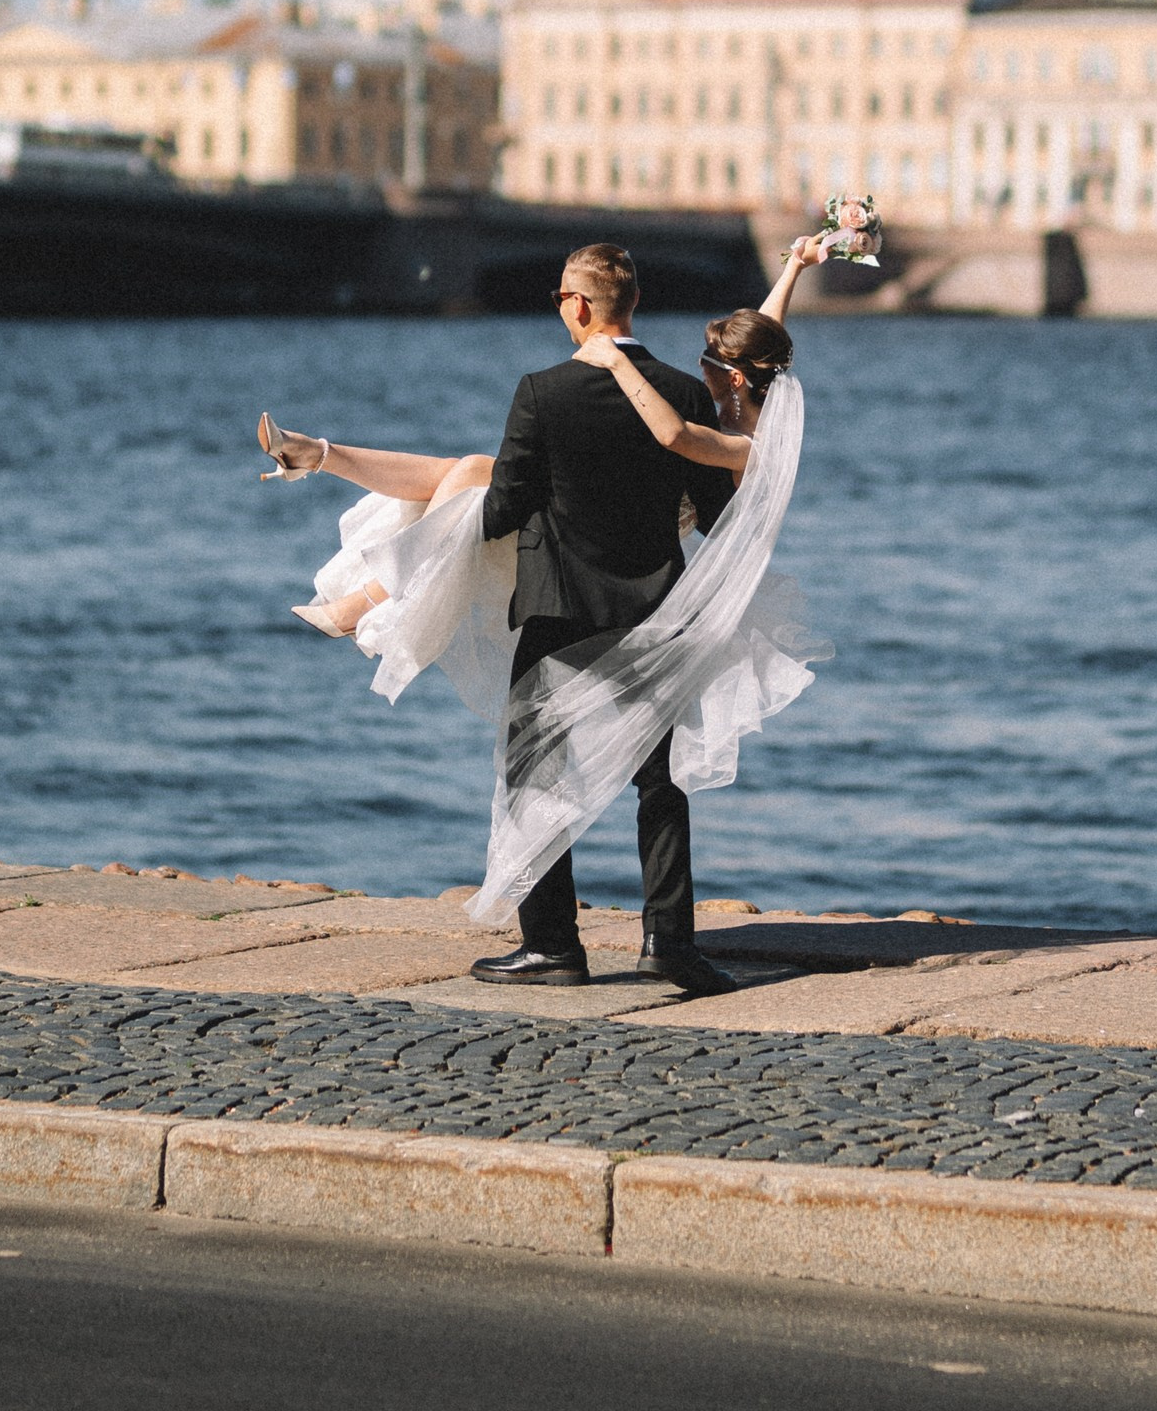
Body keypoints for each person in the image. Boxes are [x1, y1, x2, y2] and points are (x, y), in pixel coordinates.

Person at [257, 234, 830, 996]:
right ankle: (669, 944)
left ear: (583, 306)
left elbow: (500, 515)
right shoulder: (689, 395)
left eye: (562, 296)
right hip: (660, 606)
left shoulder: (543, 391)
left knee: (533, 773)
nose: (558, 307)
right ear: (633, 306)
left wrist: (472, 519)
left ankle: (554, 946)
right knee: (660, 785)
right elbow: (713, 493)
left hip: (563, 606)